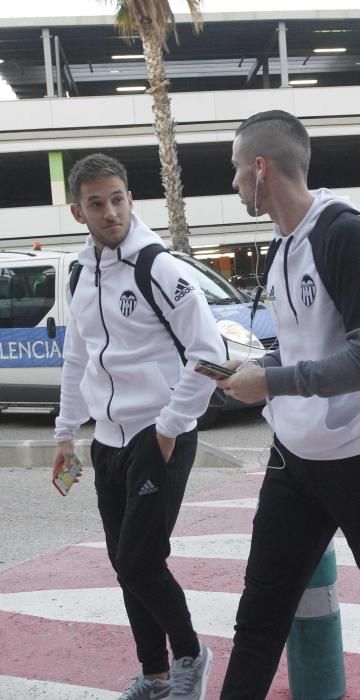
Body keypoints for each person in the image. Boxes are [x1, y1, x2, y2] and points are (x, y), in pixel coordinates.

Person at [217, 111, 360, 699]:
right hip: (294, 459)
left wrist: (270, 383)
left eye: (237, 169)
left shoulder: (342, 234)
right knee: (259, 617)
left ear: (260, 168)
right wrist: (259, 369)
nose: (235, 181)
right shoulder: (282, 243)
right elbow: (305, 346)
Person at [53, 153, 224, 700]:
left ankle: (192, 658)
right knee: (125, 564)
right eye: (97, 203)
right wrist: (65, 433)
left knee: (138, 559)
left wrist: (171, 425)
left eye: (118, 198)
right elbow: (77, 359)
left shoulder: (157, 266)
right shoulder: (81, 274)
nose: (111, 212)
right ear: (77, 210)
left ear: (131, 199)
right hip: (107, 441)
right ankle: (153, 675)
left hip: (159, 432)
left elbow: (211, 351)